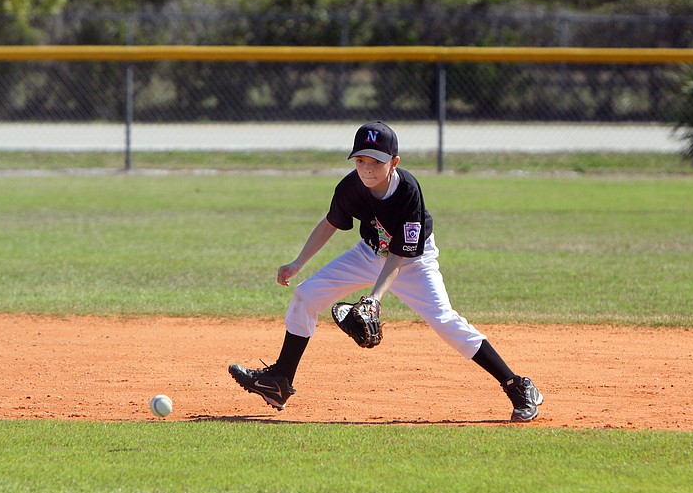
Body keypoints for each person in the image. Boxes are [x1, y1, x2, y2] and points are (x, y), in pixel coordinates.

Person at [229, 121, 543, 422]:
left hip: (411, 262)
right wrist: (299, 262)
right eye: (361, 159)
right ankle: (280, 380)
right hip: (369, 252)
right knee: (305, 295)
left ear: (394, 161)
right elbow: (331, 223)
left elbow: (399, 254)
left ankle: (517, 385)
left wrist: (375, 298)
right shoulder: (351, 186)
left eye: (376, 161)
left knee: (445, 321)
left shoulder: (407, 190)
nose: (367, 168)